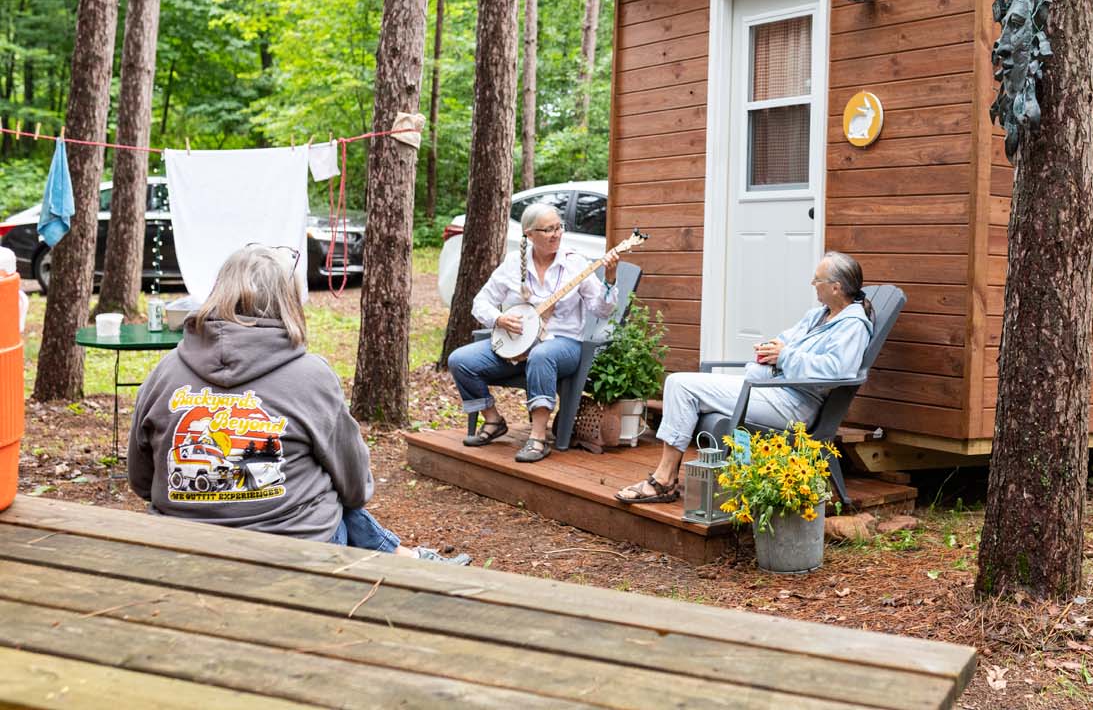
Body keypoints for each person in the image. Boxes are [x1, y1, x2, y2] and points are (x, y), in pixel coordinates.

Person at [128, 245, 469, 564]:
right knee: (323, 492)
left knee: (313, 485)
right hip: (295, 553)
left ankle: (403, 556)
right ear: (287, 301)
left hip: (182, 549)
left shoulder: (165, 372)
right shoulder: (311, 376)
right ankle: (405, 558)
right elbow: (354, 487)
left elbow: (142, 480)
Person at [615, 251, 873, 504]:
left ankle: (664, 480)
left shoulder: (852, 325)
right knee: (678, 384)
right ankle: (667, 476)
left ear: (836, 287)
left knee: (682, 387)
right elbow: (786, 339)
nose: (813, 285)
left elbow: (837, 371)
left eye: (817, 280)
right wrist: (770, 348)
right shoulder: (818, 315)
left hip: (794, 405)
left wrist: (784, 357)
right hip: (771, 389)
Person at [448, 202, 619, 462]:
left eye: (559, 227)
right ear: (529, 233)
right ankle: (493, 421)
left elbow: (602, 310)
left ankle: (538, 437)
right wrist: (500, 318)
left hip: (563, 345)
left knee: (542, 355)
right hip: (518, 346)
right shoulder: (514, 264)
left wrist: (610, 279)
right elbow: (480, 303)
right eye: (548, 229)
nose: (556, 234)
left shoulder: (575, 264)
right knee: (460, 360)